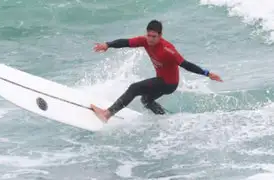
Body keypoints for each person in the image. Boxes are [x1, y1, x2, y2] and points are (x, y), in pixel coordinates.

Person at [90, 20, 223, 122]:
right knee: (146, 100)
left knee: (134, 88)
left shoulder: (168, 49)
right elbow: (126, 42)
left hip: (168, 83)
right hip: (163, 81)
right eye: (149, 35)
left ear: (160, 35)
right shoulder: (145, 41)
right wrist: (107, 44)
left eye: (154, 36)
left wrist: (208, 74)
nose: (151, 39)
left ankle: (107, 114)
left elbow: (186, 64)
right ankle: (165, 119)